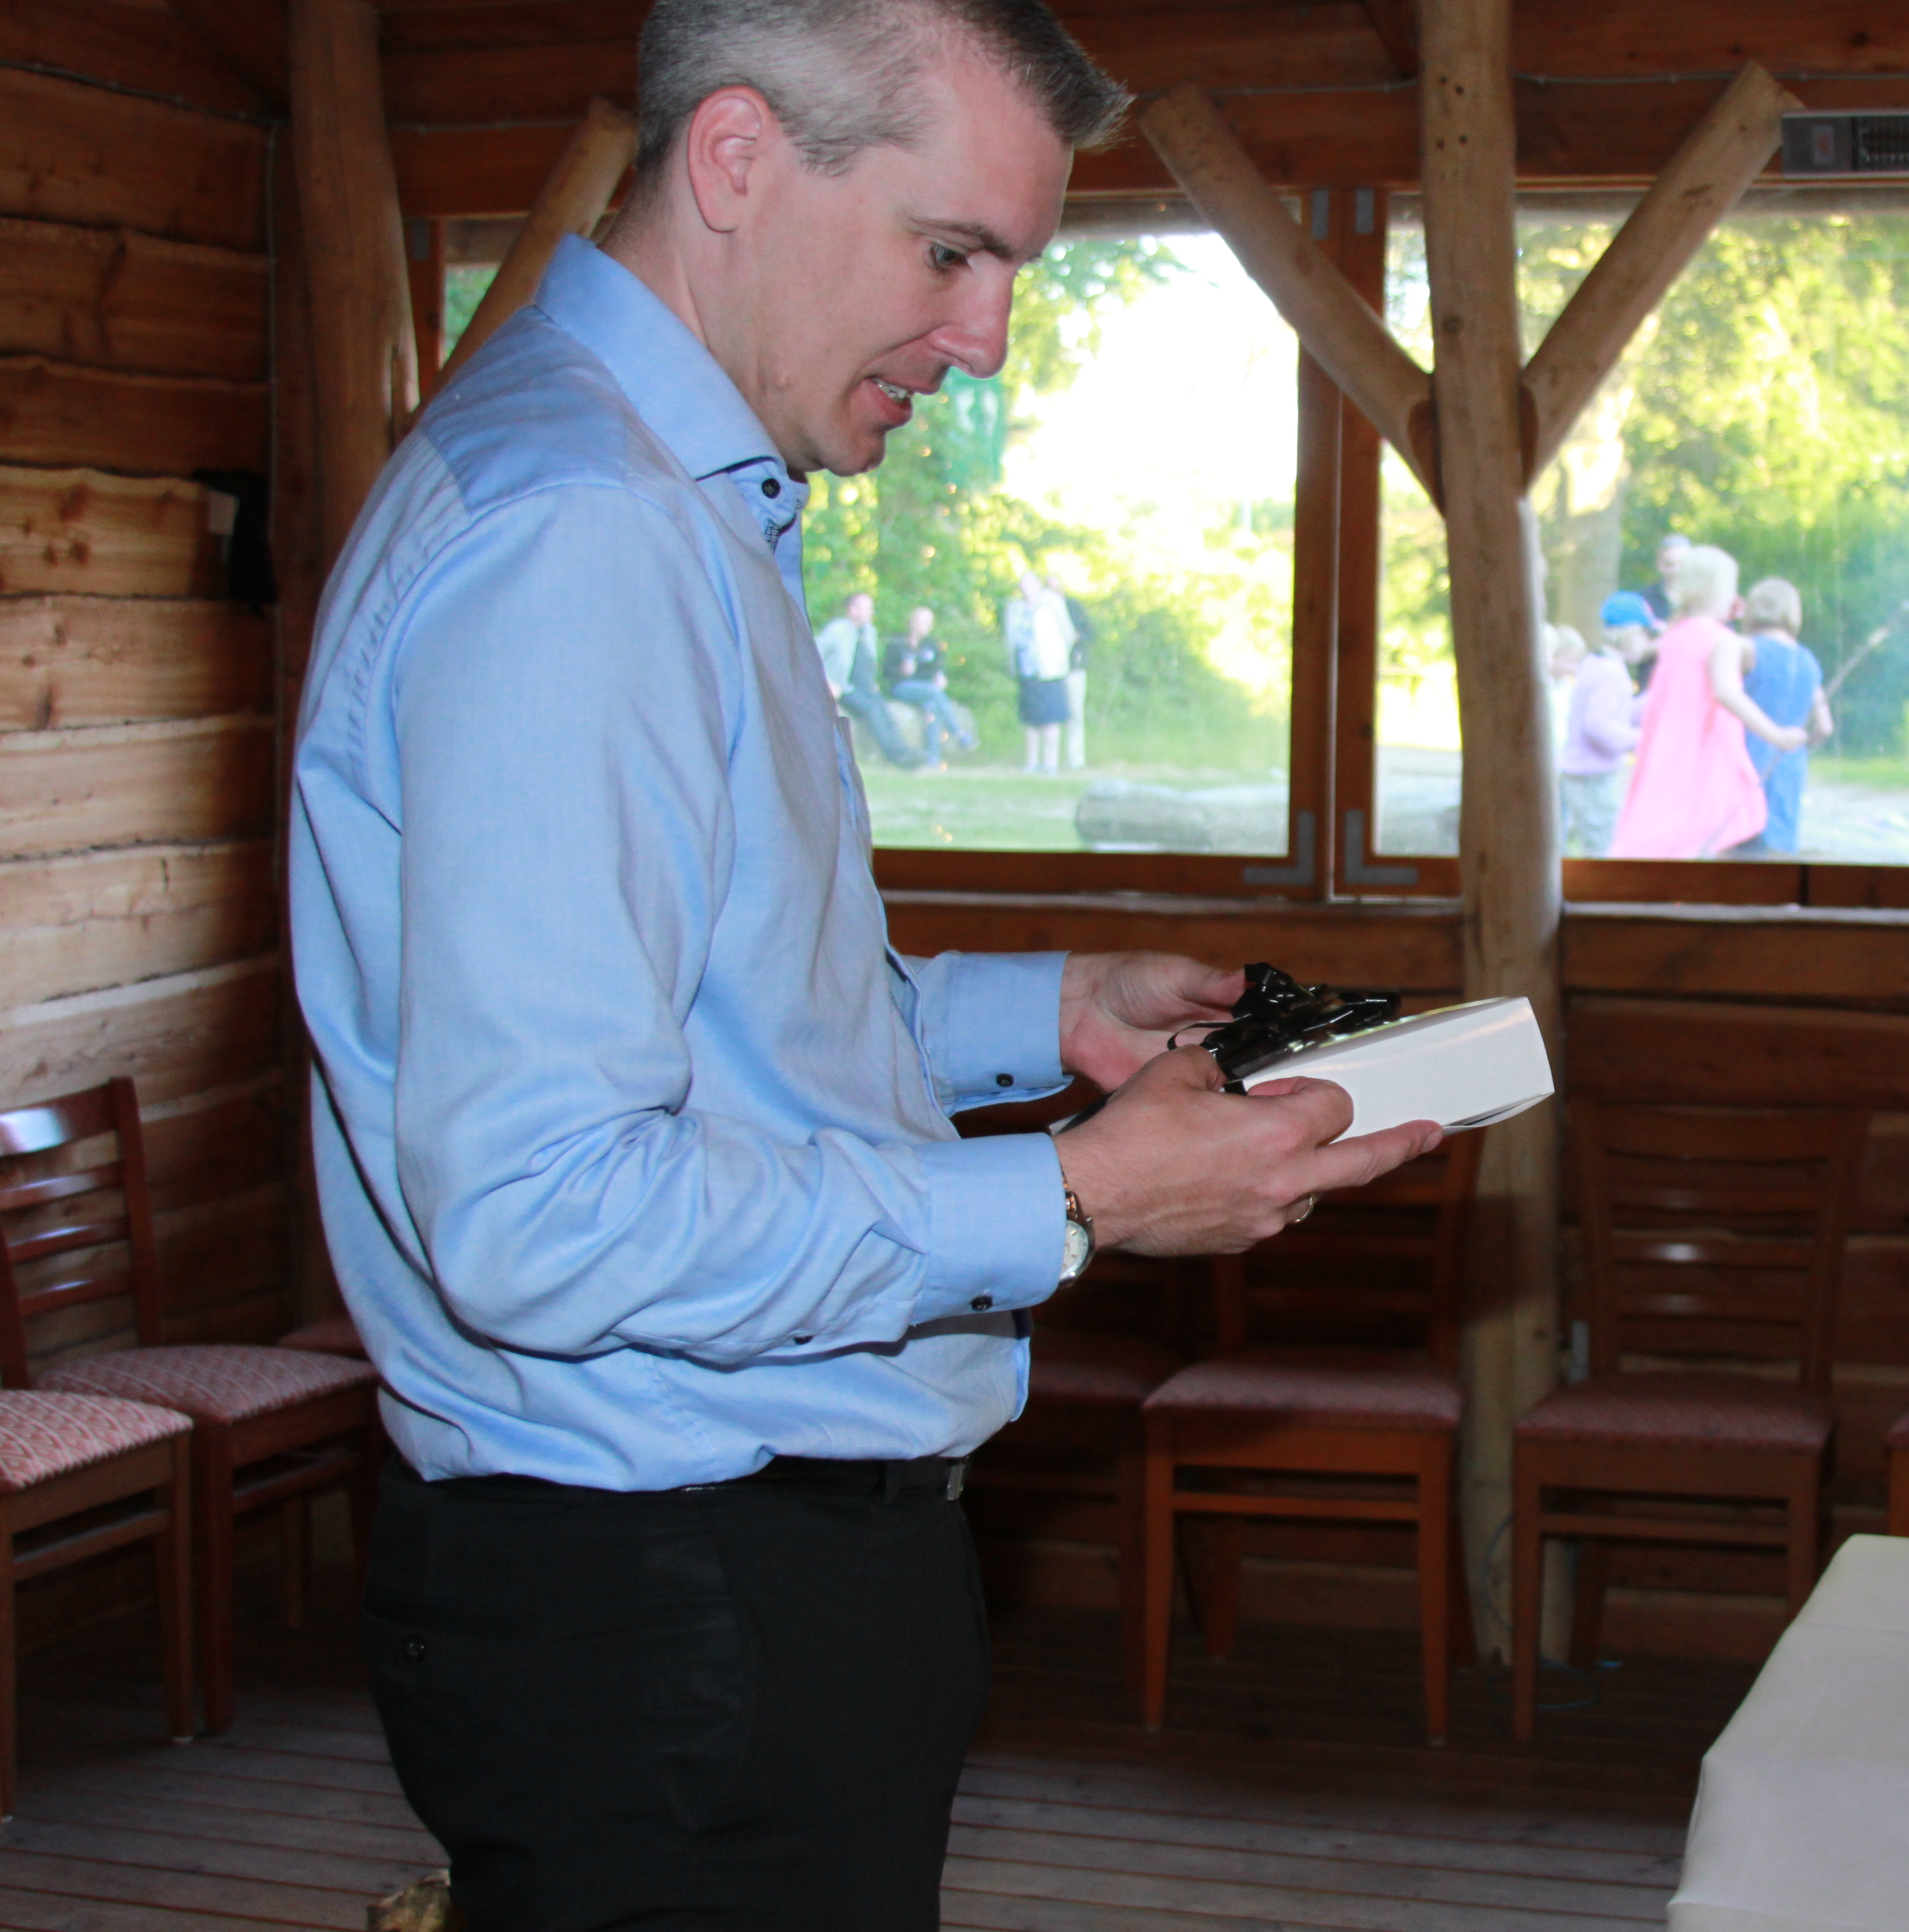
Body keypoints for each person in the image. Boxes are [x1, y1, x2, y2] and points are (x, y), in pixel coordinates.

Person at [285, 4, 1441, 1925]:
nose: (985, 340)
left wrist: (1039, 1013)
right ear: (738, 159)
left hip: (705, 1588)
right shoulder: (588, 533)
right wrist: (1073, 1195)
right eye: (950, 251)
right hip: (680, 1602)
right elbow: (542, 1209)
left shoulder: (656, 497)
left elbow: (713, 1019)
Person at [1610, 545, 1803, 859]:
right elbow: (1727, 692)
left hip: (1670, 747)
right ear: (1722, 591)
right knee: (1723, 820)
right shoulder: (1722, 640)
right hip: (1708, 747)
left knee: (1667, 826)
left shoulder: (1675, 635)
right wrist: (1776, 735)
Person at [1733, 576, 1834, 856]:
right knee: (1778, 849)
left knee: (1739, 846)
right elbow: (1825, 726)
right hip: (1789, 762)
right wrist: (1802, 745)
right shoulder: (1807, 660)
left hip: (1746, 756)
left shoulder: (1746, 650)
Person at [1560, 590, 1653, 856]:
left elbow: (1616, 713)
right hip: (1593, 779)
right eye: (1645, 634)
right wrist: (1644, 741)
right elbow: (1599, 726)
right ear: (1629, 634)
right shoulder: (1609, 673)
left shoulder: (1598, 663)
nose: (1648, 642)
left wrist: (1654, 702)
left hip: (1589, 776)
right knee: (1604, 849)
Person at [815, 587, 923, 768]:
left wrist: (872, 681)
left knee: (885, 711)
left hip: (866, 687)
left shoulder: (870, 632)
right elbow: (812, 655)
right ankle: (896, 757)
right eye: (867, 608)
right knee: (872, 711)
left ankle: (904, 751)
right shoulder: (837, 631)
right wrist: (828, 682)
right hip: (844, 688)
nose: (871, 612)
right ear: (853, 610)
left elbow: (868, 661)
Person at [885, 603, 978, 765]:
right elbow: (886, 671)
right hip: (903, 687)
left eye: (930, 622)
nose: (928, 626)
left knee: (933, 709)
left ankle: (933, 759)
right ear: (913, 622)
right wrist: (902, 671)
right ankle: (959, 734)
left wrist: (941, 677)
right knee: (934, 693)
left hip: (927, 689)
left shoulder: (932, 645)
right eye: (925, 622)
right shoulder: (898, 642)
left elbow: (938, 668)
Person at [1005, 568, 1075, 773]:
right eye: (1022, 584)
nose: (1025, 588)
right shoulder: (1015, 609)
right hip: (1027, 670)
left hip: (1050, 669)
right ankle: (1032, 762)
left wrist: (1059, 656)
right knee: (1030, 719)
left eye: (1029, 583)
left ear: (1038, 584)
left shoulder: (1052, 603)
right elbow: (1010, 639)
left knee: (1051, 718)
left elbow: (1067, 633)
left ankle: (1051, 763)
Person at [1047, 570, 1092, 769]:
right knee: (1051, 715)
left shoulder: (1074, 607)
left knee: (1075, 714)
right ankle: (1051, 761)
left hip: (1074, 667)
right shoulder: (1042, 611)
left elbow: (1091, 633)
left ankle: (1075, 760)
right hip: (1049, 669)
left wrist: (1078, 638)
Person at [1635, 531, 1689, 622]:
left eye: (1682, 564)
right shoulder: (1643, 600)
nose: (1676, 570)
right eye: (1669, 564)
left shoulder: (1702, 600)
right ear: (1659, 564)